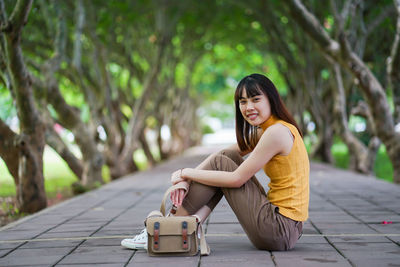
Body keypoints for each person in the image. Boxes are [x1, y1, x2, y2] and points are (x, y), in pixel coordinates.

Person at [121, 73, 309, 251]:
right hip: (285, 228)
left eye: (255, 99)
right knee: (225, 160)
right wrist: (185, 180)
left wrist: (185, 172)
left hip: (278, 228)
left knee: (224, 166)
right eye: (243, 102)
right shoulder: (273, 129)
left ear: (271, 99)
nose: (248, 107)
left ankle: (164, 229)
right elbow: (225, 153)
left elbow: (236, 179)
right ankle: (188, 224)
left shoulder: (276, 133)